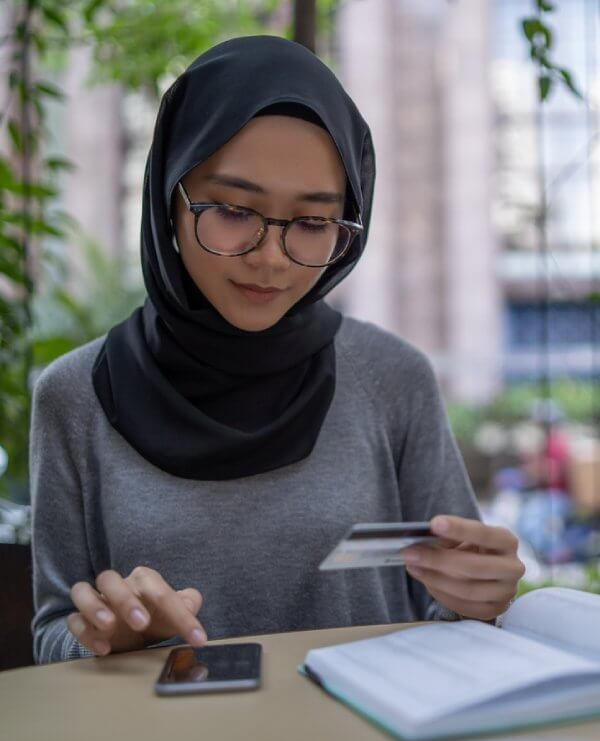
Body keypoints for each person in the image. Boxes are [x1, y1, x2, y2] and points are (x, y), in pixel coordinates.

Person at [29, 35, 525, 664]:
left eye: (314, 224)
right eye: (234, 210)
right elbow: (51, 636)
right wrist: (111, 636)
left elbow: (450, 609)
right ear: (168, 200)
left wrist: (479, 596)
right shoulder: (75, 396)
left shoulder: (392, 378)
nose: (270, 258)